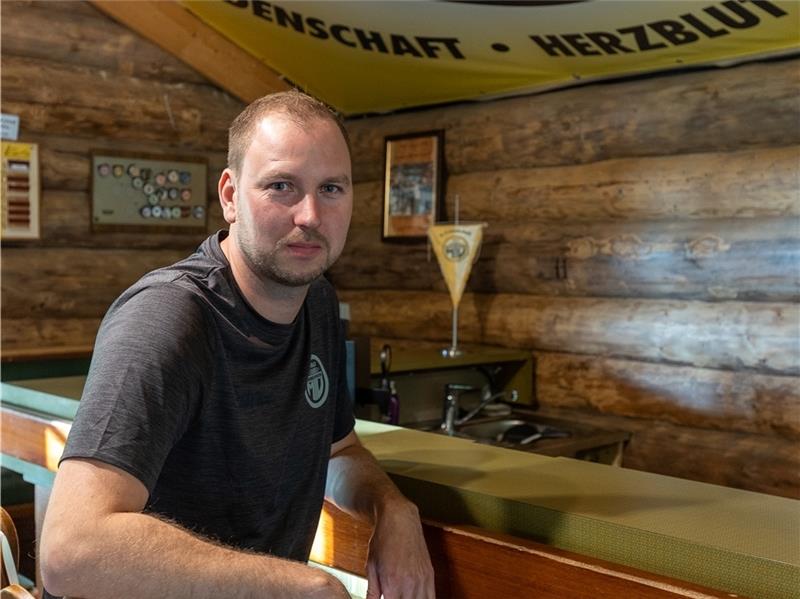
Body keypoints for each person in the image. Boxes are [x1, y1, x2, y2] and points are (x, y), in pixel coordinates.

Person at [40, 91, 435, 599]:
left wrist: (391, 507)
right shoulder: (167, 317)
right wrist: (300, 586)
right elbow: (71, 550)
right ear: (229, 195)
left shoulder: (317, 302)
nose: (310, 215)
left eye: (331, 188)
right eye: (281, 186)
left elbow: (338, 451)